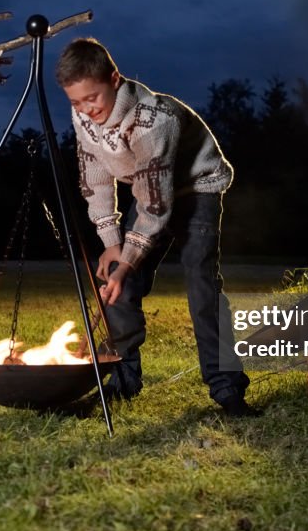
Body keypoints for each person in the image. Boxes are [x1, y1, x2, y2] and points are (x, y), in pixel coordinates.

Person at [56, 38, 259, 417]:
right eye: (76, 102)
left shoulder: (154, 119)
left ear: (114, 79)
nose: (87, 110)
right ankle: (124, 380)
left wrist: (129, 260)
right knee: (122, 282)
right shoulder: (84, 115)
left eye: (93, 98)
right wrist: (112, 244)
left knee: (202, 284)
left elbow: (155, 206)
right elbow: (96, 178)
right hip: (151, 189)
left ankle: (227, 388)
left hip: (197, 187)